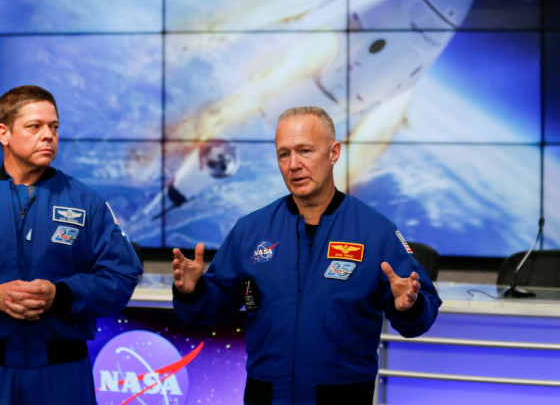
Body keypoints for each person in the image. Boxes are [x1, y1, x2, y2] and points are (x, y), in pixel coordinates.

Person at [172, 106, 441, 405]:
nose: (293, 164)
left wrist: (409, 306)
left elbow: (423, 312)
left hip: (343, 396)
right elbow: (215, 304)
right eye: (283, 154)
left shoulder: (375, 231)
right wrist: (192, 292)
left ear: (334, 152)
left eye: (305, 151)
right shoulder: (251, 231)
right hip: (267, 394)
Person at [0, 85, 143, 405]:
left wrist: (60, 295)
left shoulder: (86, 202)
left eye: (54, 127)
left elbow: (121, 278)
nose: (48, 135)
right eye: (35, 127)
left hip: (62, 372)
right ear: (4, 133)